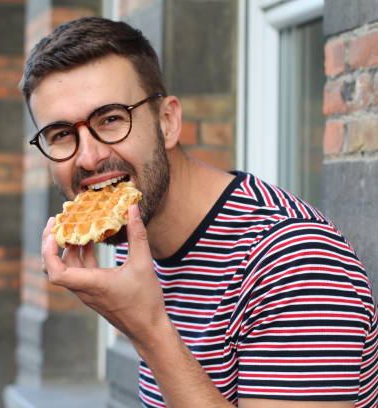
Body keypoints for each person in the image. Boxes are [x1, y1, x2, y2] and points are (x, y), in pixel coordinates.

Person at [20, 16, 377, 408]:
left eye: (111, 119)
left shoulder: (294, 261)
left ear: (168, 122)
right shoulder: (136, 238)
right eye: (61, 135)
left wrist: (149, 330)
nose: (88, 157)